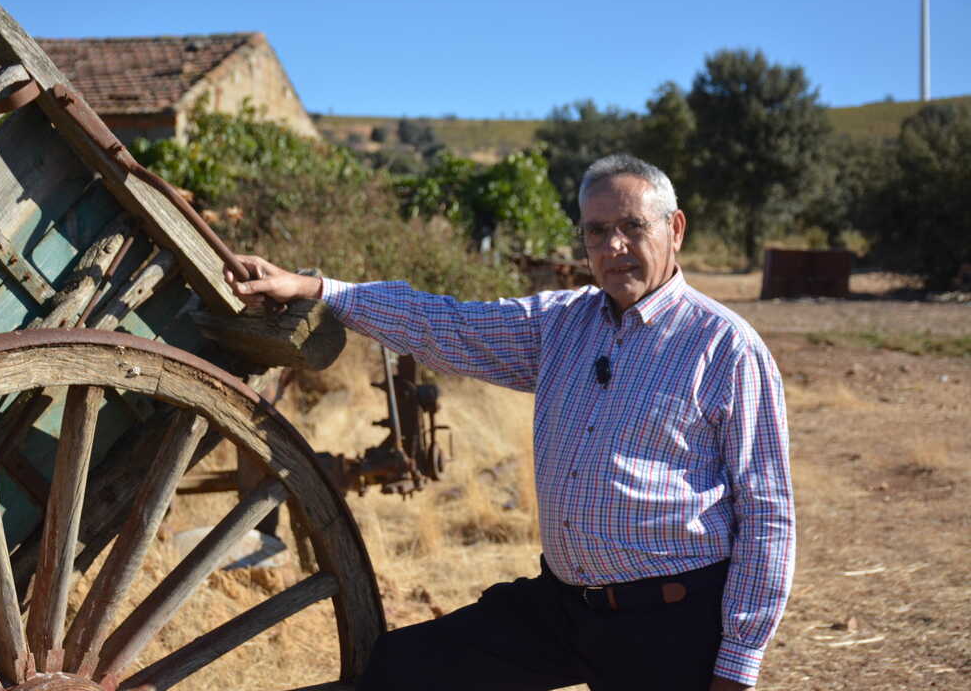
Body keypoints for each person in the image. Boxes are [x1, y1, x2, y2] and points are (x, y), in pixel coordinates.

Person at [226, 153, 794, 691]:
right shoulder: (561, 325)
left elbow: (767, 514)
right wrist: (317, 289)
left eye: (632, 226)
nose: (613, 246)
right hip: (565, 604)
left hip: (669, 617)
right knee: (405, 669)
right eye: (596, 231)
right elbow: (443, 323)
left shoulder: (725, 347)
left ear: (675, 230)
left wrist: (738, 662)